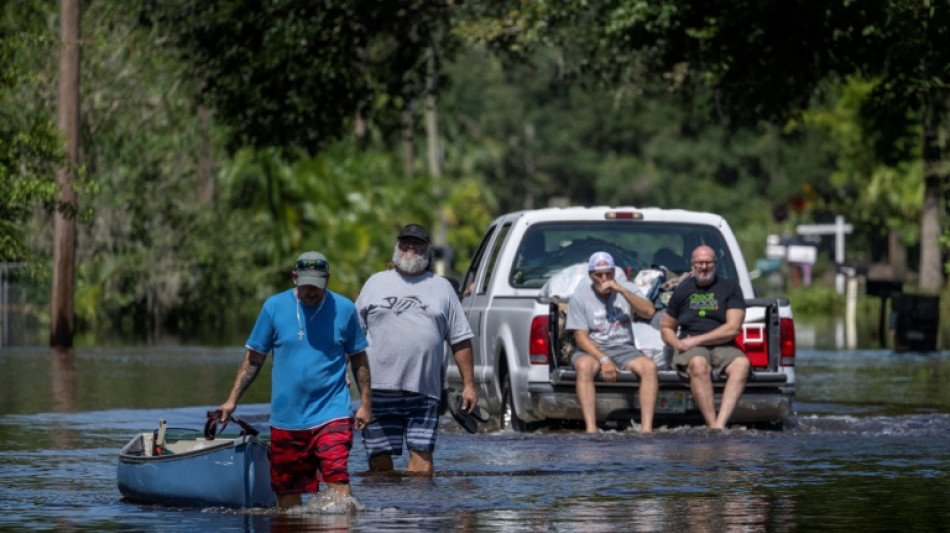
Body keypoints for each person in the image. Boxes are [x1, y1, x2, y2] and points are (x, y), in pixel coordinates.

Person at [218, 251, 372, 508]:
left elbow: (359, 359)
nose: (311, 291)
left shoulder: (344, 309)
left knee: (338, 481)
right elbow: (254, 359)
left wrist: (366, 404)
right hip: (287, 419)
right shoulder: (273, 307)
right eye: (306, 284)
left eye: (317, 285)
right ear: (294, 278)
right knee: (287, 495)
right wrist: (232, 400)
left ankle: (340, 524)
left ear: (328, 279)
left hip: (332, 412)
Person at [356, 223, 477, 475]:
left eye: (417, 243)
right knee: (379, 463)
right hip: (378, 389)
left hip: (424, 390)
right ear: (397, 246)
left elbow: (460, 340)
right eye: (405, 242)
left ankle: (418, 502)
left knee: (422, 464)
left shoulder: (442, 287)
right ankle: (385, 502)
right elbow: (352, 336)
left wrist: (469, 385)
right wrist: (341, 373)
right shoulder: (375, 283)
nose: (410, 247)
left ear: (428, 250)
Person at [565, 251, 659, 433]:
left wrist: (622, 290)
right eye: (598, 275)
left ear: (614, 273)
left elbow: (648, 312)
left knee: (649, 367)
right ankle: (591, 428)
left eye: (608, 274)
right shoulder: (580, 297)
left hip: (624, 348)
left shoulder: (627, 289)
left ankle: (646, 429)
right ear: (590, 275)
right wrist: (603, 359)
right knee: (585, 367)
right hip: (592, 349)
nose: (604, 279)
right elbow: (581, 337)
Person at [660, 245, 750, 429]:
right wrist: (676, 343)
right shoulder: (681, 291)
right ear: (692, 264)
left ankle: (719, 425)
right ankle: (713, 425)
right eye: (700, 263)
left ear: (715, 264)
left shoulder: (730, 288)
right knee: (699, 364)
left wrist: (696, 340)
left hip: (723, 346)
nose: (704, 267)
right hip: (691, 349)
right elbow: (667, 327)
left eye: (708, 262)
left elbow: (733, 328)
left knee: (742, 364)